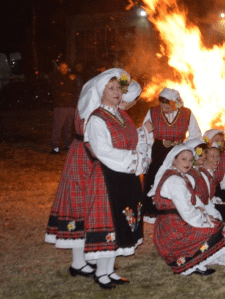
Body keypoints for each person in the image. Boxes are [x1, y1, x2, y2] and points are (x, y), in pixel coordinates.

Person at [45, 69, 144, 281]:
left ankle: (97, 257)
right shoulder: (94, 110)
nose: (124, 102)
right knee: (82, 206)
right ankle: (80, 260)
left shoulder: (108, 108)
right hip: (85, 157)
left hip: (98, 157)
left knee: (97, 208)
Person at [82, 70, 149, 288]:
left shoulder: (121, 114)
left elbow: (134, 139)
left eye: (119, 88)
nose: (116, 92)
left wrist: (141, 155)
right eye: (111, 88)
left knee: (119, 222)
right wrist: (134, 160)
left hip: (125, 176)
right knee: (109, 223)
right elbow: (103, 151)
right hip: (107, 177)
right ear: (101, 92)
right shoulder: (97, 119)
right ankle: (101, 273)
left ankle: (109, 270)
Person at [149, 144, 225, 276]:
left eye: (190, 160)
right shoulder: (175, 180)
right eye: (183, 159)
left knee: (219, 225)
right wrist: (206, 219)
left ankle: (199, 259)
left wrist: (203, 212)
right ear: (174, 159)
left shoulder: (179, 175)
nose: (188, 163)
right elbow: (187, 212)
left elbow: (191, 202)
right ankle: (190, 261)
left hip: (174, 223)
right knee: (218, 228)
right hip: (173, 229)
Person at [142, 88, 202, 222]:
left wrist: (185, 148)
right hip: (159, 151)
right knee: (154, 176)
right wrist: (148, 153)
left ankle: (176, 210)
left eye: (168, 106)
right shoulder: (153, 112)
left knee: (176, 177)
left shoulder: (186, 113)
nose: (164, 109)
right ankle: (151, 211)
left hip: (178, 151)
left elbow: (195, 134)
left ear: (176, 103)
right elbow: (147, 135)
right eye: (162, 106)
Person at [50, 62, 79, 154]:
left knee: (68, 128)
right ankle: (55, 148)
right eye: (63, 67)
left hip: (70, 106)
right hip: (60, 107)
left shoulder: (69, 78)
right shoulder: (55, 78)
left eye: (66, 68)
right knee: (57, 128)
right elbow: (59, 89)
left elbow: (75, 90)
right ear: (58, 68)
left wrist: (70, 83)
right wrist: (68, 83)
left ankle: (68, 145)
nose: (64, 69)